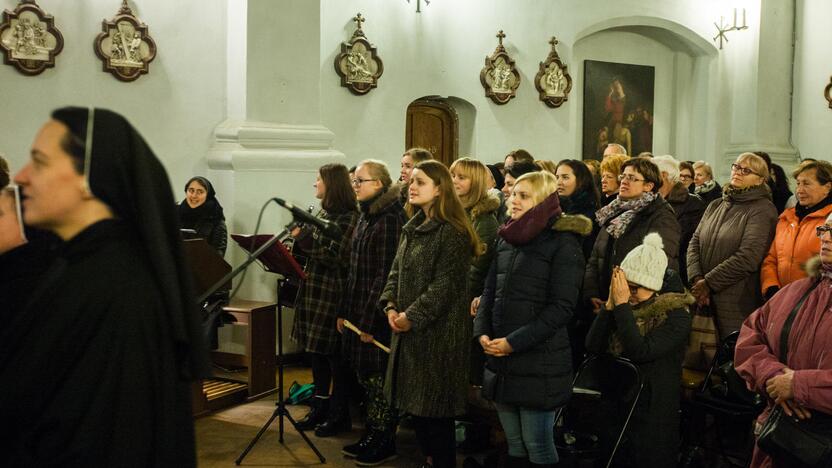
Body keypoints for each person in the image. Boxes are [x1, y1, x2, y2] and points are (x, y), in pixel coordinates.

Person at [1, 107, 207, 466]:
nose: (20, 177)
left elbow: (108, 439)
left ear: (87, 179)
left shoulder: (118, 290)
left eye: (39, 162)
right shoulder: (78, 266)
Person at [474, 171, 587, 468]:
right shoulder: (507, 237)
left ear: (543, 201)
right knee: (514, 445)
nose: (513, 200)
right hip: (501, 357)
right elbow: (489, 291)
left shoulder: (563, 243)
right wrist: (482, 332)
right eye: (514, 194)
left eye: (524, 196)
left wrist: (514, 342)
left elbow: (561, 308)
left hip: (539, 361)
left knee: (538, 445)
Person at [382, 160, 482, 468]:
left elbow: (444, 287)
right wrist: (390, 306)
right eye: (411, 180)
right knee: (418, 414)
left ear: (439, 190)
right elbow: (395, 272)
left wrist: (410, 316)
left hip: (439, 338)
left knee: (436, 417)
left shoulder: (452, 232)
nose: (412, 186)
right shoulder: (412, 228)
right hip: (410, 334)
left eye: (420, 182)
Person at [585, 233, 693, 468]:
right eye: (626, 286)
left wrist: (622, 306)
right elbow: (593, 345)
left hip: (652, 407)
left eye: (636, 288)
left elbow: (641, 351)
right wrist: (610, 307)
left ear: (654, 286)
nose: (629, 293)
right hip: (619, 398)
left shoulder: (676, 315)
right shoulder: (624, 302)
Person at [734, 212, 832, 468]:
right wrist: (773, 377)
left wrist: (800, 386)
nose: (826, 238)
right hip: (778, 437)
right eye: (824, 230)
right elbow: (751, 337)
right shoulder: (797, 291)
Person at [335, 159, 406, 463]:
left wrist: (368, 321)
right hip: (356, 310)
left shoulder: (389, 219)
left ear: (378, 184)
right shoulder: (366, 216)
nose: (355, 186)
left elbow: (384, 275)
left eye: (360, 181)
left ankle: (384, 438)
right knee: (365, 379)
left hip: (375, 317)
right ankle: (372, 433)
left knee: (378, 381)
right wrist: (343, 312)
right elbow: (353, 270)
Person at [291, 163, 360, 431]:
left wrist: (306, 239)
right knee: (316, 354)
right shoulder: (323, 211)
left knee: (334, 357)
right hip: (315, 290)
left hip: (333, 293)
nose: (314, 184)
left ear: (331, 184)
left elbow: (336, 256)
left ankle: (338, 413)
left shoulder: (348, 217)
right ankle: (319, 406)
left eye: (318, 179)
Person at [687, 153, 778, 338]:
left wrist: (709, 283)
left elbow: (749, 256)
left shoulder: (762, 209)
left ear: (760, 179)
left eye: (746, 170)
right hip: (703, 295)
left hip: (736, 299)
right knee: (697, 358)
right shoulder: (715, 204)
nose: (738, 172)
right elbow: (694, 242)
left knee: (729, 359)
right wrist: (697, 279)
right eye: (736, 167)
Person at [584, 157, 681, 314]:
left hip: (635, 305)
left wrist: (628, 299)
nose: (624, 181)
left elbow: (659, 264)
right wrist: (592, 293)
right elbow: (596, 257)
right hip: (606, 301)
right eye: (623, 176)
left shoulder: (661, 216)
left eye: (632, 178)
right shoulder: (616, 211)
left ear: (648, 186)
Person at [761, 160, 832, 300]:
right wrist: (771, 287)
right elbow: (771, 259)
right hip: (781, 299)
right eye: (798, 183)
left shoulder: (829, 220)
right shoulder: (786, 218)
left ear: (827, 187)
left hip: (816, 301)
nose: (799, 190)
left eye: (806, 184)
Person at [653, 155, 705, 285]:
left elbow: (685, 243)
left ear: (663, 175)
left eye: (652, 173)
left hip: (676, 274)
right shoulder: (651, 201)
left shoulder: (692, 203)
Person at [555, 159, 600, 259]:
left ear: (581, 180)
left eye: (565, 177)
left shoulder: (590, 213)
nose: (559, 182)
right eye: (557, 177)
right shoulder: (557, 208)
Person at [178, 176, 227, 255]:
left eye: (200, 192)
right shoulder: (177, 213)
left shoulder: (216, 220)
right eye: (191, 190)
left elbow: (218, 256)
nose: (194, 195)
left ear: (208, 195)